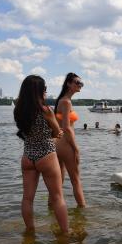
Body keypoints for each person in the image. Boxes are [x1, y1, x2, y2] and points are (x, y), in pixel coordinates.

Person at [13, 75, 68, 234]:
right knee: (57, 198)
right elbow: (57, 132)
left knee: (27, 198)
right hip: (47, 155)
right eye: (44, 89)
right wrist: (57, 133)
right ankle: (65, 233)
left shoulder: (18, 110)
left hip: (28, 156)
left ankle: (30, 232)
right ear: (39, 91)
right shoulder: (46, 110)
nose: (46, 92)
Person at [54, 73, 86, 208]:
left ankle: (52, 208)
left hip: (56, 144)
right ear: (68, 84)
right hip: (66, 144)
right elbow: (67, 128)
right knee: (75, 180)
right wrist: (76, 148)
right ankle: (83, 210)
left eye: (81, 83)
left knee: (58, 182)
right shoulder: (66, 102)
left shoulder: (60, 100)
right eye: (77, 82)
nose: (80, 85)